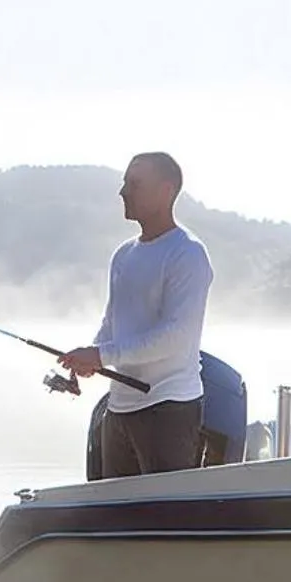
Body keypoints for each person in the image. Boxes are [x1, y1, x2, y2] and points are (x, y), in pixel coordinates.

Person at [59, 152, 214, 478]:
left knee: (163, 520)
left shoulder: (188, 253)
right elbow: (111, 323)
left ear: (166, 190)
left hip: (169, 410)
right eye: (124, 183)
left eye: (135, 184)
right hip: (118, 411)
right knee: (117, 519)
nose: (123, 192)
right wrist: (88, 357)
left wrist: (101, 355)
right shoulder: (123, 255)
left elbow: (176, 336)